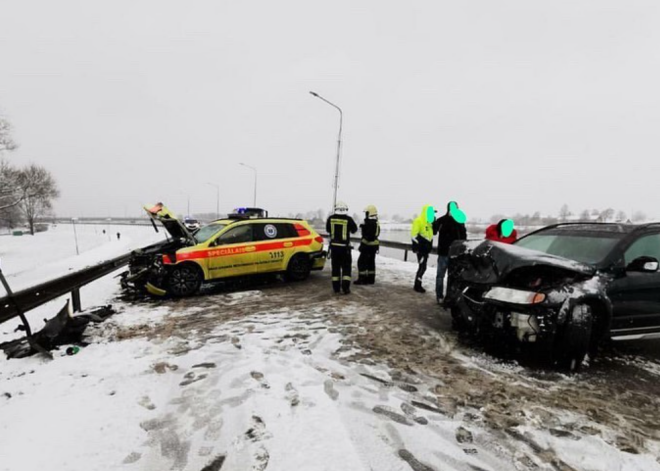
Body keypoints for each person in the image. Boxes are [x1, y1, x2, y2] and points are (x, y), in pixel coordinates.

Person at [433, 201, 467, 303]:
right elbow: (434, 231)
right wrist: (433, 221)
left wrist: (462, 249)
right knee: (440, 276)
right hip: (443, 253)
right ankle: (439, 296)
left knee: (452, 277)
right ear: (448, 208)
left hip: (455, 254)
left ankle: (449, 297)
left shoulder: (460, 221)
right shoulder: (442, 220)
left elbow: (464, 237)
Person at [326, 201, 358, 294]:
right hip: (345, 249)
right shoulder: (349, 219)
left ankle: (336, 288)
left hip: (334, 249)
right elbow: (354, 230)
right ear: (345, 210)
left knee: (335, 268)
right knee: (346, 268)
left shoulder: (330, 219)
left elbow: (328, 229)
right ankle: (345, 288)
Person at [411, 204, 435, 293]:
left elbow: (431, 235)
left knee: (423, 267)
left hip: (426, 249)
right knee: (422, 267)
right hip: (421, 249)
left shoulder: (429, 223)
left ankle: (418, 284)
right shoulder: (418, 221)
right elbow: (414, 235)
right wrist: (419, 247)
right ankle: (417, 285)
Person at [355, 205, 380, 285]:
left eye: (366, 212)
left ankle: (362, 279)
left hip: (367, 246)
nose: (365, 214)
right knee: (371, 262)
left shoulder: (369, 223)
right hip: (374, 246)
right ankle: (371, 279)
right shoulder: (376, 222)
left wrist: (362, 244)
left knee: (361, 262)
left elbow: (368, 236)